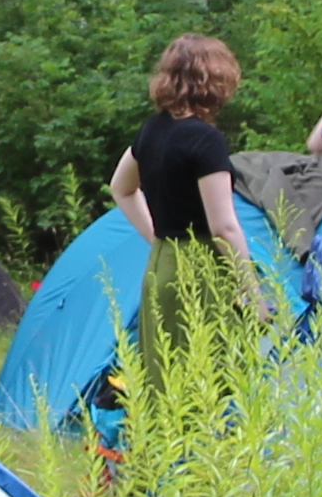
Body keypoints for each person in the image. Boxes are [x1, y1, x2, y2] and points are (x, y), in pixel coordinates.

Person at [108, 32, 260, 374]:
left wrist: (157, 237)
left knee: (166, 375)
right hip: (202, 269)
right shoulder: (206, 140)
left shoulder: (151, 130)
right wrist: (253, 292)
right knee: (211, 375)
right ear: (217, 81)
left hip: (162, 262)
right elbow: (224, 227)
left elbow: (121, 188)